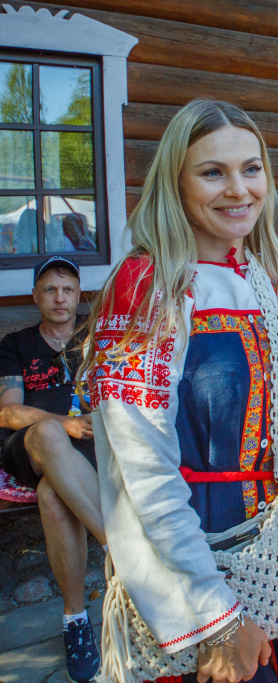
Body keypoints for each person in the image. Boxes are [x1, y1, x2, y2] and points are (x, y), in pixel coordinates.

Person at [83, 100, 278, 683]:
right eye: (213, 172)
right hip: (197, 560)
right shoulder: (147, 288)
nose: (239, 189)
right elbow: (142, 473)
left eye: (251, 169)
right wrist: (215, 620)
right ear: (174, 182)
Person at [0, 256, 106, 683]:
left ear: (79, 295)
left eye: (67, 289)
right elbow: (7, 413)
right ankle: (120, 546)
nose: (60, 298)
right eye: (50, 289)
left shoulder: (95, 337)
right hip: (29, 448)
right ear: (36, 296)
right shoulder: (16, 344)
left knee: (53, 496)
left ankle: (75, 620)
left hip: (87, 450)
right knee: (47, 434)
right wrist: (64, 424)